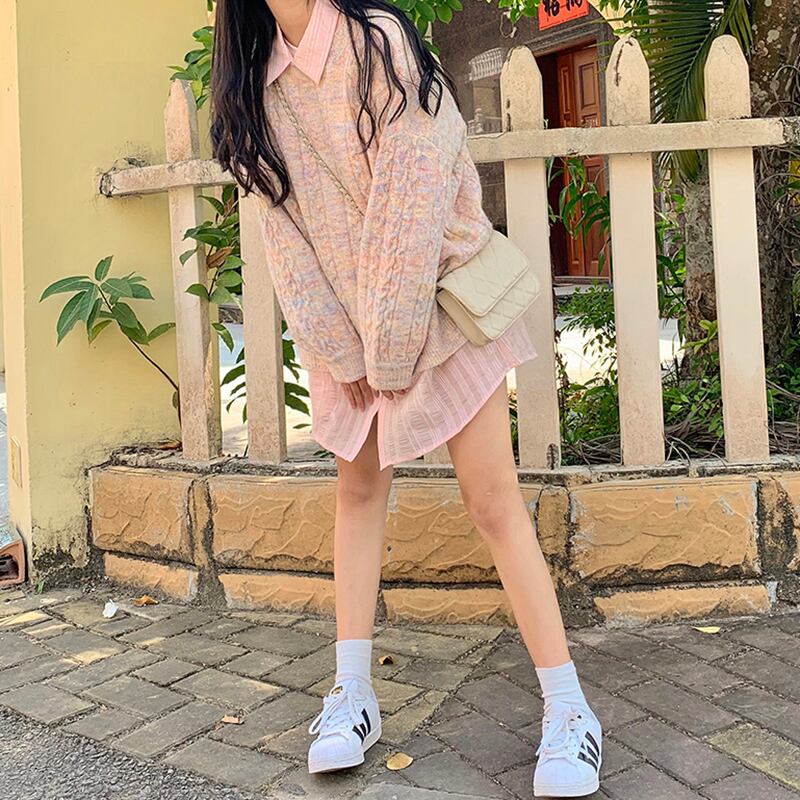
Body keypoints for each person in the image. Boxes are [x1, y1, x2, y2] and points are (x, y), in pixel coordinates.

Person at [210, 0, 603, 795]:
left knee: (492, 501)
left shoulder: (376, 41)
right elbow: (283, 237)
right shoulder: (251, 81)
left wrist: (384, 348)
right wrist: (342, 349)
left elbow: (414, 197)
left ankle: (570, 710)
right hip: (352, 337)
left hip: (439, 311)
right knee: (357, 494)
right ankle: (352, 692)